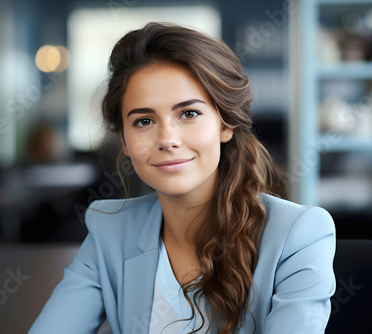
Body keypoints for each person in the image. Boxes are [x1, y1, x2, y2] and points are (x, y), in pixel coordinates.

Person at [29, 22, 335, 334]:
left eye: (188, 114)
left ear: (226, 124)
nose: (167, 139)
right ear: (124, 140)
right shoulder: (110, 230)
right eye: (144, 121)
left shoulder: (299, 235)